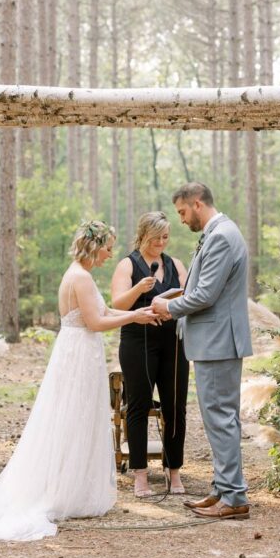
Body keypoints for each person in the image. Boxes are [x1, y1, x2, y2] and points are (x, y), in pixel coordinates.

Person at [0, 221, 158, 542]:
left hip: (77, 351)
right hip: (79, 353)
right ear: (94, 246)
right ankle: (64, 491)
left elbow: (104, 309)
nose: (110, 254)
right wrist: (134, 317)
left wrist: (140, 308)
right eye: (108, 247)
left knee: (76, 419)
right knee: (73, 419)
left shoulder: (78, 274)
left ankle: (72, 485)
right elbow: (95, 321)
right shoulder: (79, 277)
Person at [152, 182, 252, 520]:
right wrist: (172, 295)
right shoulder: (218, 233)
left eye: (182, 212)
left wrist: (169, 309)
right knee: (218, 418)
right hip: (214, 342)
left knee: (221, 418)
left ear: (197, 204)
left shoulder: (222, 236)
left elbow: (206, 295)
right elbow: (202, 286)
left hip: (219, 342)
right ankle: (223, 488)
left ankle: (234, 498)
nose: (181, 220)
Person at [111, 211, 189, 497]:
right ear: (143, 235)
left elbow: (186, 295)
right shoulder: (126, 265)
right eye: (155, 238)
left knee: (175, 406)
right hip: (137, 341)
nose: (161, 243)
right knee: (139, 407)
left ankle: (174, 471)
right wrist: (139, 289)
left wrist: (172, 307)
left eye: (165, 237)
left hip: (173, 342)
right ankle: (140, 476)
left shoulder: (175, 264)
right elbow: (117, 305)